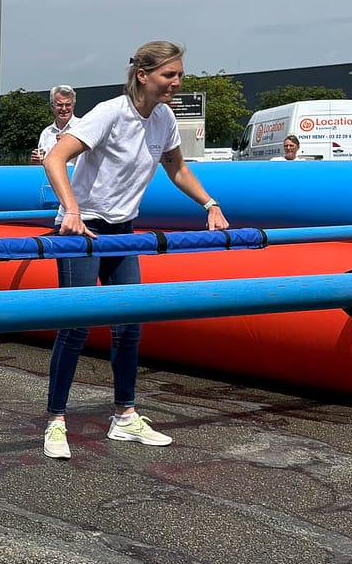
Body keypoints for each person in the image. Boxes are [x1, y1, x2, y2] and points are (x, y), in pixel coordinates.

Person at [40, 41, 229, 460]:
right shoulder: (110, 113)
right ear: (143, 75)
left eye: (179, 75)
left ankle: (124, 415)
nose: (176, 83)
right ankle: (55, 420)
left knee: (130, 323)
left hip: (122, 230)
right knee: (76, 325)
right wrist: (71, 209)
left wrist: (210, 204)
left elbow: (177, 168)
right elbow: (54, 158)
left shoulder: (163, 118)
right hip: (82, 229)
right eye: (169, 75)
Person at [31, 85, 79, 164]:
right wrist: (38, 161)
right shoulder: (46, 133)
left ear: (73, 106)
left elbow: (91, 158)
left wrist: (70, 143)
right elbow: (45, 165)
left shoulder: (82, 127)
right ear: (52, 106)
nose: (64, 109)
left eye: (68, 105)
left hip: (76, 175)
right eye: (60, 105)